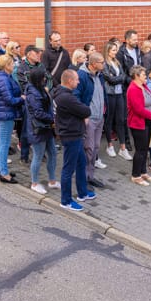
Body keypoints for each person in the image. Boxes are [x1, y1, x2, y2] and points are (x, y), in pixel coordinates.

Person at [52, 69, 93, 211]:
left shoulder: (63, 94)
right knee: (68, 169)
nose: (79, 81)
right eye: (76, 79)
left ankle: (82, 193)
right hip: (71, 135)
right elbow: (86, 111)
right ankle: (66, 201)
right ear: (70, 81)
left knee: (81, 163)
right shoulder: (67, 98)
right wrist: (83, 117)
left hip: (74, 133)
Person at [24, 68, 60, 194]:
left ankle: (52, 180)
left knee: (53, 153)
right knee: (38, 156)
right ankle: (34, 183)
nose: (45, 79)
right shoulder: (32, 94)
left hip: (46, 128)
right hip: (38, 129)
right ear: (38, 79)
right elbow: (38, 113)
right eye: (43, 77)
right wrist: (53, 119)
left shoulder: (41, 90)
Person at [0, 54, 25, 181]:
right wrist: (21, 99)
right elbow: (9, 99)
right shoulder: (3, 79)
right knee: (4, 144)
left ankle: (3, 169)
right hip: (5, 114)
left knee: (3, 143)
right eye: (12, 64)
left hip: (5, 113)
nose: (14, 66)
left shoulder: (5, 77)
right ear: (6, 66)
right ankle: (4, 173)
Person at [76, 51, 107, 188]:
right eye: (101, 62)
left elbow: (102, 93)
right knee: (88, 148)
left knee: (95, 148)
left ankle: (90, 176)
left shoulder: (100, 76)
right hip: (89, 118)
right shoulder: (82, 76)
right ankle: (83, 176)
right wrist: (84, 115)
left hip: (100, 117)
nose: (104, 64)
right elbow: (76, 97)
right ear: (93, 64)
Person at [126, 65, 151, 186]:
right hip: (138, 123)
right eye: (143, 75)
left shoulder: (144, 85)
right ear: (136, 76)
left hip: (149, 121)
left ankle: (143, 172)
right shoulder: (133, 89)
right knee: (140, 150)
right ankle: (136, 175)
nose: (145, 76)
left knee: (146, 148)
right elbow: (138, 110)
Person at [102, 40, 130, 161]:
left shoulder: (117, 62)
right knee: (109, 119)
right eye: (113, 50)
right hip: (110, 94)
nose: (115, 52)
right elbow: (109, 79)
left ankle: (123, 148)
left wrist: (116, 78)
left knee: (121, 119)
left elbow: (123, 76)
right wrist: (117, 79)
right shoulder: (104, 64)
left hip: (119, 93)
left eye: (116, 50)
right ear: (108, 51)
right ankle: (109, 145)